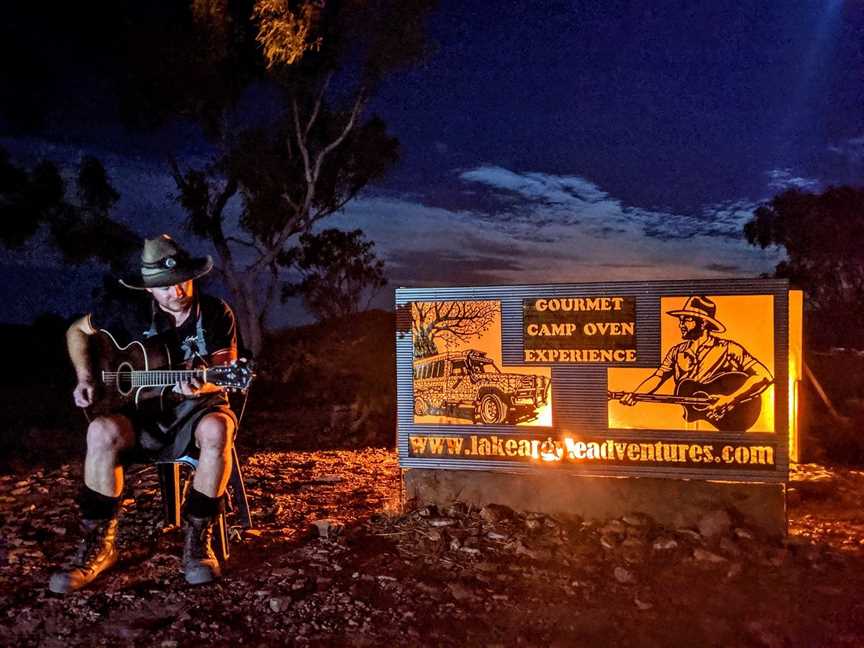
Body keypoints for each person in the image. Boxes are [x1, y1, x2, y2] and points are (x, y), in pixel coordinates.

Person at [49, 234, 239, 594]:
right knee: (100, 432)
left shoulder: (215, 312)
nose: (176, 292)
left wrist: (199, 383)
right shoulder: (126, 311)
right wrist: (86, 377)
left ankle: (198, 540)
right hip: (139, 416)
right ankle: (99, 547)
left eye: (182, 282)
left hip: (196, 409)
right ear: (149, 289)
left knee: (218, 430)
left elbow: (224, 372)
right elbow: (76, 330)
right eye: (164, 287)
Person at [619, 295, 773, 424]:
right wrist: (635, 394)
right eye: (680, 320)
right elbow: (658, 377)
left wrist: (729, 401)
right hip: (689, 423)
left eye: (686, 320)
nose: (681, 324)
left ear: (704, 323)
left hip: (727, 420)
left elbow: (765, 375)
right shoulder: (676, 352)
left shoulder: (729, 349)